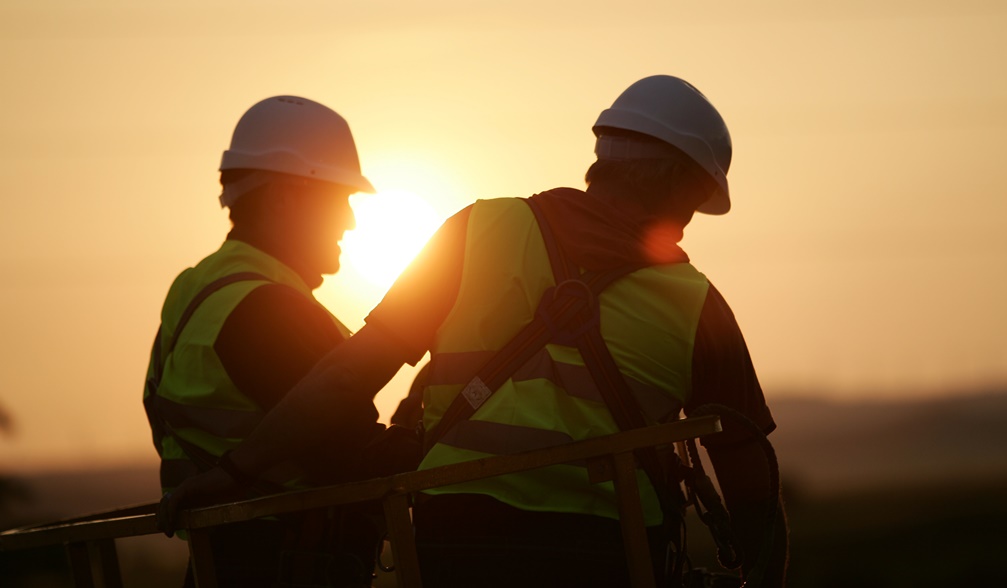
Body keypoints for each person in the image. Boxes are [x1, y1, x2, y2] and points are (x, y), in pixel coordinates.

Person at [161, 75, 789, 587]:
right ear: (680, 185)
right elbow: (747, 471)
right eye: (693, 205)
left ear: (604, 157)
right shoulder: (700, 305)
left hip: (456, 546)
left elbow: (351, 372)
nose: (685, 226)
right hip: (613, 552)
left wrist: (235, 473)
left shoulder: (476, 230)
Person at [143, 95, 382, 587]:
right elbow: (354, 455)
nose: (350, 221)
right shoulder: (270, 309)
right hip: (285, 564)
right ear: (285, 197)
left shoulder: (196, 288)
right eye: (340, 198)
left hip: (222, 563)